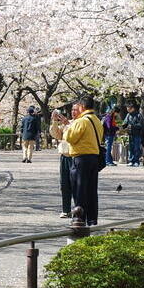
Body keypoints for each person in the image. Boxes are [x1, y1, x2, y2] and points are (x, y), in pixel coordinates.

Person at [64, 95, 104, 226]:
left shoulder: (82, 121)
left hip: (81, 158)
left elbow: (70, 137)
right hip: (94, 158)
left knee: (79, 189)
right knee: (91, 190)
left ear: (82, 106)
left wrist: (66, 129)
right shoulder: (96, 120)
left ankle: (79, 217)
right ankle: (92, 218)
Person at [49, 107, 79, 218]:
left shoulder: (81, 123)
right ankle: (66, 210)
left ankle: (78, 209)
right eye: (72, 110)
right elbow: (56, 134)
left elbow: (77, 135)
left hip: (76, 157)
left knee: (76, 185)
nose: (73, 112)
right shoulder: (67, 123)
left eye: (76, 110)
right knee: (64, 184)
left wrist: (68, 124)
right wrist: (54, 121)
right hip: (64, 156)